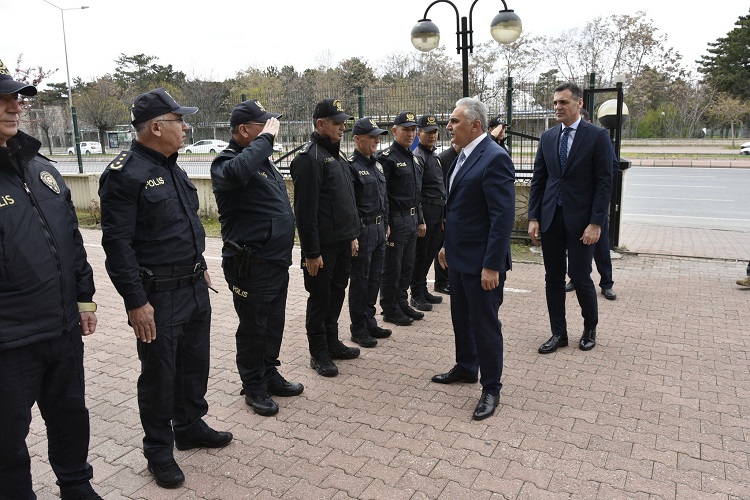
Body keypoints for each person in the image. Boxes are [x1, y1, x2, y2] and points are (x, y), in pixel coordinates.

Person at [99, 88, 232, 489]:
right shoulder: (124, 173)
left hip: (192, 285)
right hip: (158, 297)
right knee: (160, 375)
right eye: (180, 120)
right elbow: (116, 245)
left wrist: (200, 267)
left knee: (195, 364)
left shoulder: (171, 165)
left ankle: (190, 426)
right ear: (156, 127)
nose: (187, 126)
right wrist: (135, 303)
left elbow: (182, 227)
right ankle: (159, 450)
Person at [0, 61, 102, 500]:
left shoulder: (40, 166)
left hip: (62, 329)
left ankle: (76, 487)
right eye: (2, 100)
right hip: (10, 339)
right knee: (7, 441)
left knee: (70, 418)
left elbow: (70, 237)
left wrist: (84, 298)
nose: (13, 108)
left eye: (15, 99)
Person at [210, 99, 303, 417]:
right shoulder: (226, 162)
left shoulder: (262, 162)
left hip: (275, 262)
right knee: (253, 327)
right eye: (262, 126)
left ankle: (269, 373)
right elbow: (237, 173)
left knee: (273, 323)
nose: (270, 131)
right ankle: (253, 386)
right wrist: (266, 140)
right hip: (250, 265)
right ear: (243, 130)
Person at [433, 97, 515, 421]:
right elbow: (457, 210)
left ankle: (491, 387)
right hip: (459, 258)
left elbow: (502, 218)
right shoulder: (461, 157)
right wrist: (445, 247)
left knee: (485, 326)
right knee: (461, 321)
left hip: (483, 263)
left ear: (475, 125)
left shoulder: (494, 158)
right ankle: (466, 367)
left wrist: (492, 265)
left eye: (454, 121)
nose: (449, 127)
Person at [528, 82, 614, 354]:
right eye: (555, 103)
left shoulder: (597, 136)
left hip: (582, 223)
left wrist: (596, 222)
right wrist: (533, 217)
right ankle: (558, 333)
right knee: (552, 278)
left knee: (580, 276)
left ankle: (590, 328)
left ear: (578, 104)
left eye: (563, 102)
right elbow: (539, 180)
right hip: (551, 218)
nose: (557, 107)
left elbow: (604, 182)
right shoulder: (548, 137)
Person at [291, 98, 361, 377]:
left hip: (342, 242)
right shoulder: (310, 159)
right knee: (320, 299)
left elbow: (345, 202)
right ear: (321, 124)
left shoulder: (336, 155)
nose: (343, 126)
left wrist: (352, 236)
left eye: (344, 121)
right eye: (336, 122)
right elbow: (305, 212)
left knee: (336, 295)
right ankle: (318, 352)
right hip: (321, 249)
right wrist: (311, 253)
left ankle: (332, 342)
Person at [377, 111, 427, 326]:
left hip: (411, 219)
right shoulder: (386, 158)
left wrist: (421, 219)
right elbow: (381, 195)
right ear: (395, 130)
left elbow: (418, 194)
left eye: (413, 129)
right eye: (405, 129)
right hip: (395, 221)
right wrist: (386, 222)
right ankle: (389, 308)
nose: (410, 133)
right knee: (392, 267)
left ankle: (401, 302)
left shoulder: (414, 158)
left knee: (407, 265)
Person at [347, 117, 393, 348]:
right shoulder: (351, 166)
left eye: (378, 136)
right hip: (363, 230)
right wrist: (353, 234)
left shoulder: (375, 164)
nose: (377, 140)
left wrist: (385, 223)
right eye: (372, 136)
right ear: (357, 138)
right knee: (360, 281)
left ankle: (369, 320)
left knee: (375, 279)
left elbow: (383, 198)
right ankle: (358, 328)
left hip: (378, 229)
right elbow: (350, 205)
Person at [565, 108, 616, 300]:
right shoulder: (566, 140)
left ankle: (606, 283)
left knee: (601, 247)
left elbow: (611, 168)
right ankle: (574, 278)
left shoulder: (598, 137)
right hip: (575, 207)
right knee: (574, 246)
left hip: (595, 206)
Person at [410, 114, 446, 311]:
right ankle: (415, 293)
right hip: (427, 210)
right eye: (427, 132)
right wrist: (420, 219)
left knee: (430, 252)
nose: (432, 136)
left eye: (434, 132)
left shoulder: (433, 156)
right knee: (421, 254)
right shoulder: (418, 156)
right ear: (419, 133)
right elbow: (417, 191)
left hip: (437, 211)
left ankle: (422, 288)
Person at [433, 140, 460, 295]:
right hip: (444, 210)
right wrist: (443, 215)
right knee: (441, 247)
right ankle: (441, 282)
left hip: (454, 210)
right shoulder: (444, 158)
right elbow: (441, 187)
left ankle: (447, 279)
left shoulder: (462, 156)